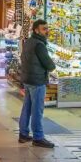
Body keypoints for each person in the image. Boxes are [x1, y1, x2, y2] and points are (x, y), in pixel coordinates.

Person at [19, 20, 56, 148]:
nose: (47, 31)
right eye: (44, 29)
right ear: (36, 30)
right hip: (37, 80)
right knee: (37, 110)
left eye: (47, 28)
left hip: (28, 79)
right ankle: (38, 137)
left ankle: (23, 134)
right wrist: (51, 66)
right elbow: (49, 64)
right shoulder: (39, 45)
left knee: (27, 108)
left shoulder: (29, 42)